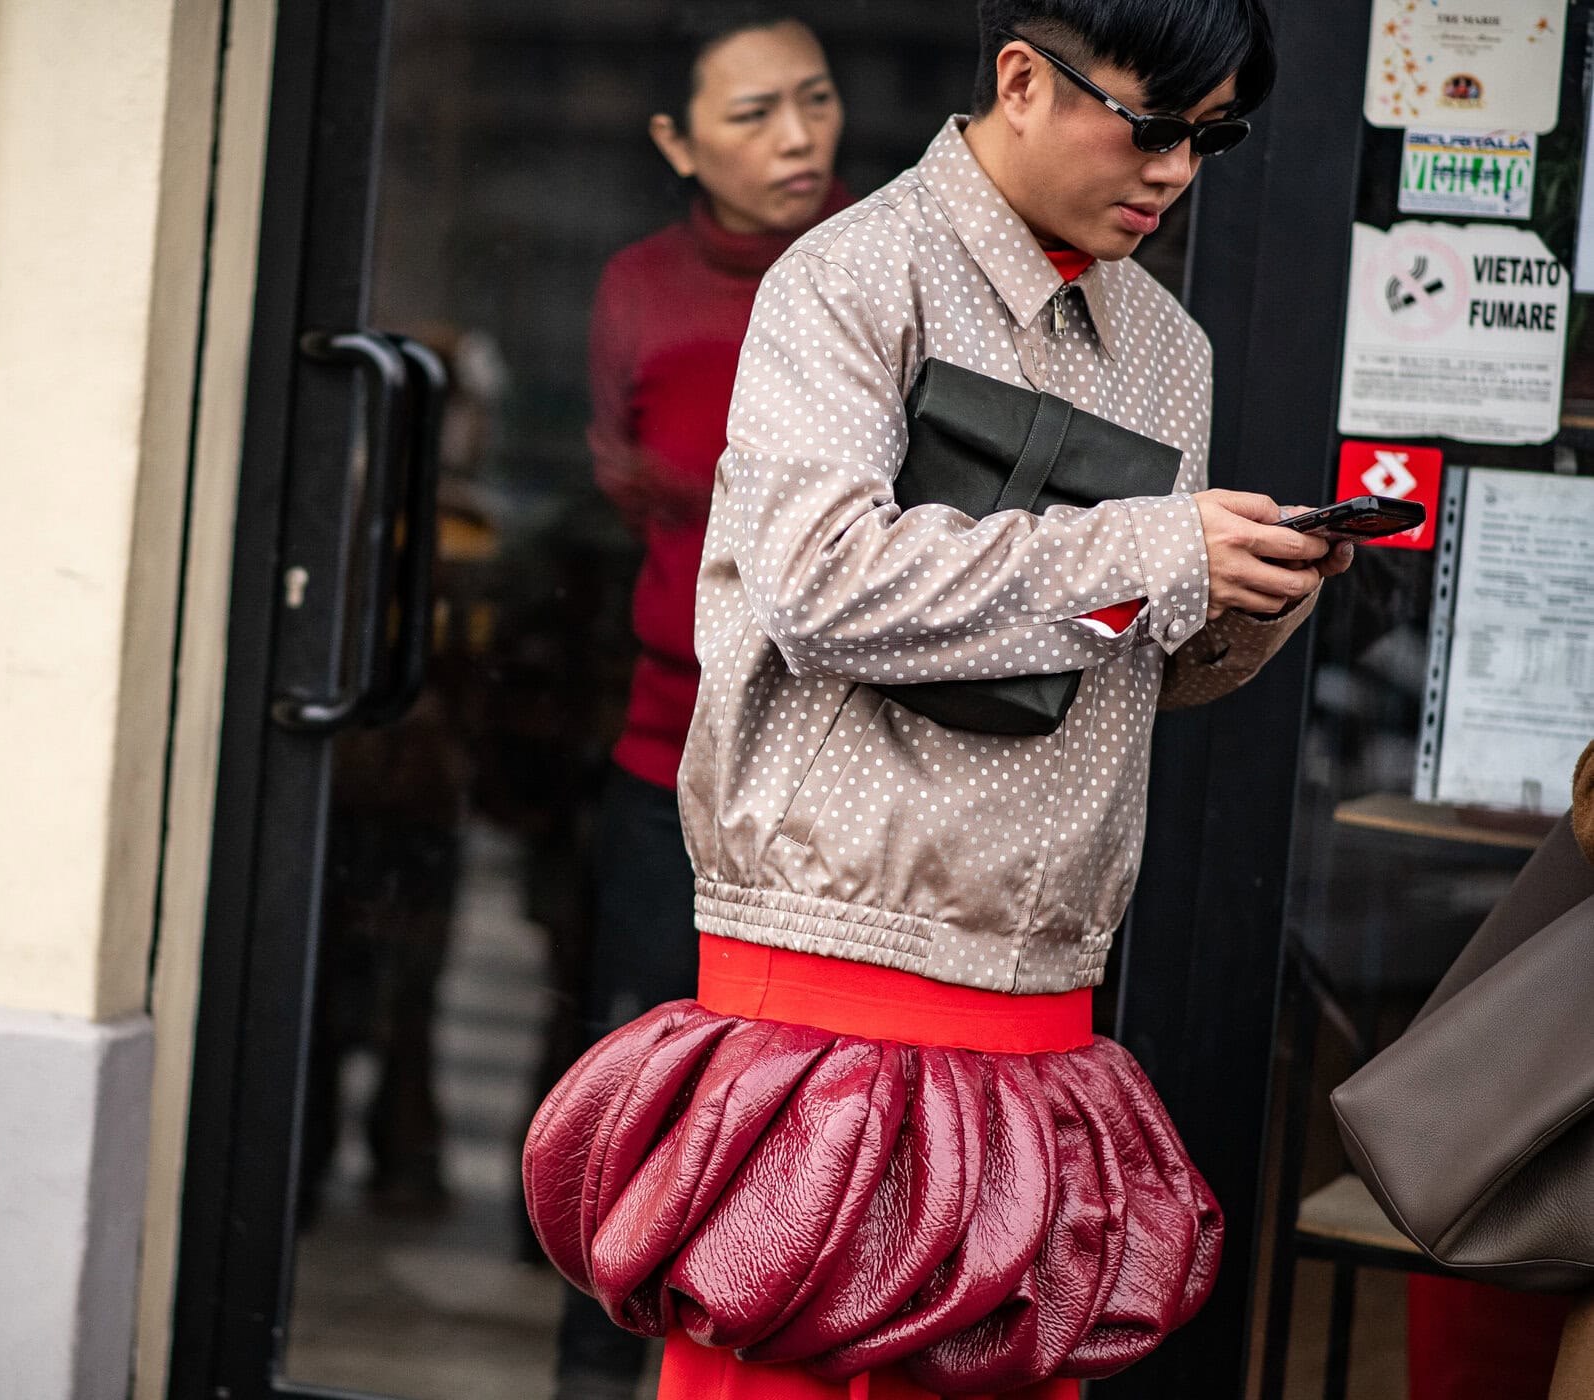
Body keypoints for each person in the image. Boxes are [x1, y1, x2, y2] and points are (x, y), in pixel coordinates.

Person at [526, 1, 1359, 1396]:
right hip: (826, 989)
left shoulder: (1172, 345)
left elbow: (1117, 658)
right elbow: (820, 580)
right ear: (1023, 78)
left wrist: (1238, 602)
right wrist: (1157, 548)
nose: (1175, 174)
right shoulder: (853, 275)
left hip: (1044, 997)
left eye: (1212, 142)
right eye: (1152, 128)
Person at [553, 9, 851, 1399]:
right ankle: (599, 1378)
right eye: (750, 114)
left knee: (789, 1126)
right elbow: (626, 477)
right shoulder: (639, 288)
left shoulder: (878, 272)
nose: (797, 139)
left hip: (831, 782)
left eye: (816, 99)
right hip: (662, 757)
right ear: (675, 140)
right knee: (635, 1098)